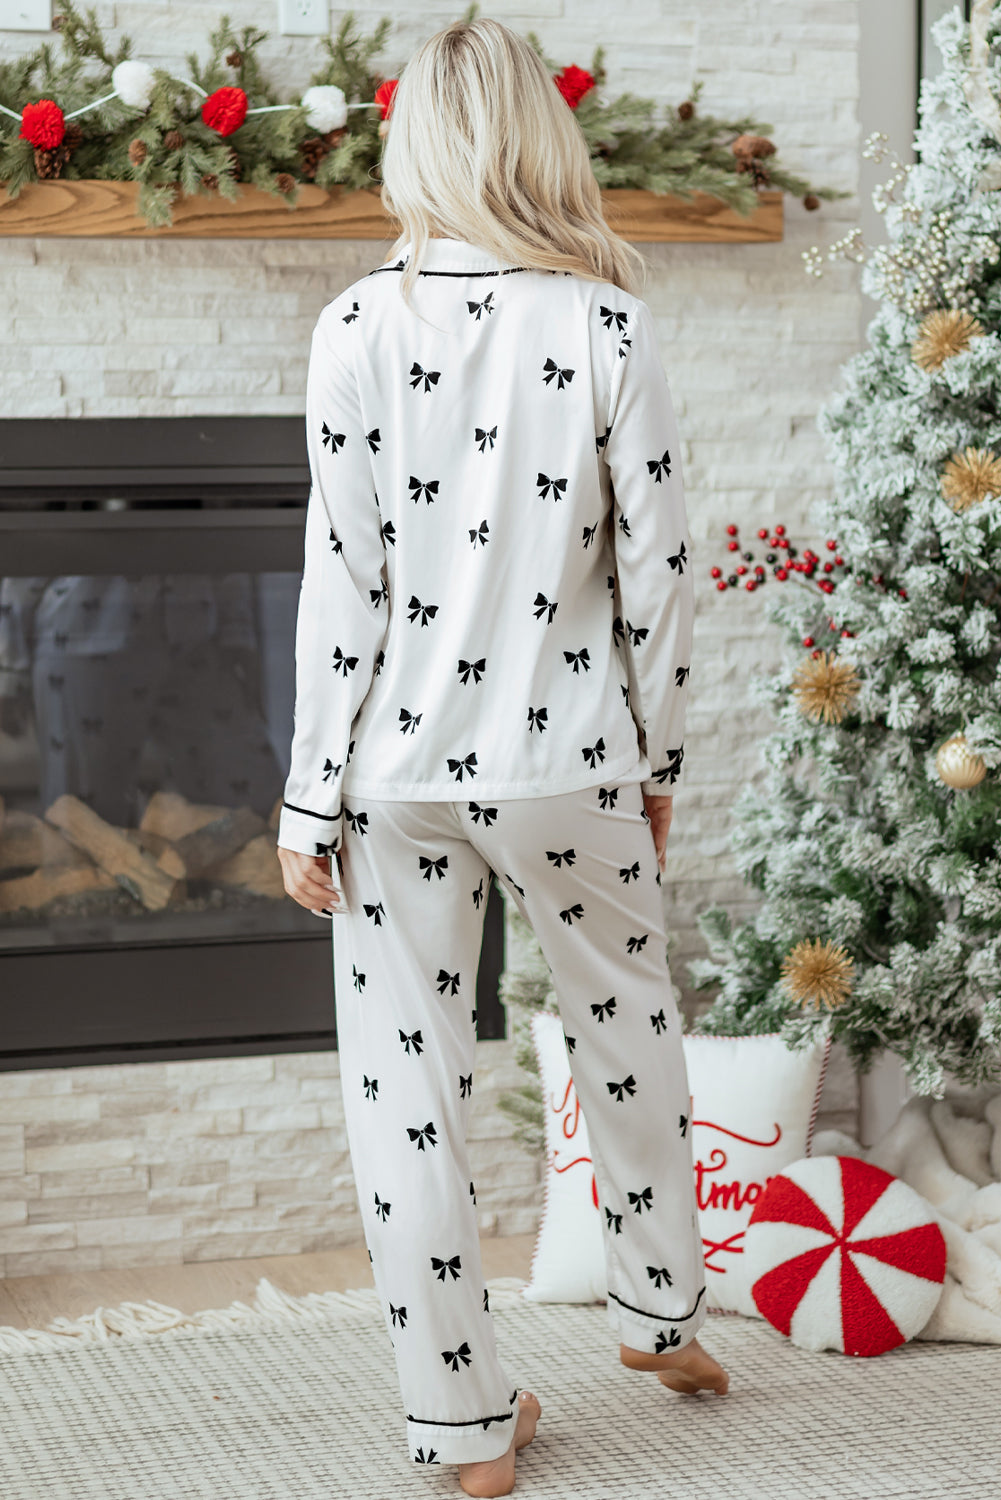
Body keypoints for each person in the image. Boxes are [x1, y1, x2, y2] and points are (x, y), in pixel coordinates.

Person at [276, 16, 728, 1497]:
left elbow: (340, 584)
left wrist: (309, 794)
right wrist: (658, 763)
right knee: (627, 1024)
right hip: (567, 759)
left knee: (404, 1092)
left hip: (393, 776)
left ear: (412, 141)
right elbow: (661, 576)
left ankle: (464, 1430)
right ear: (544, 137)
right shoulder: (605, 326)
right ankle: (659, 1314)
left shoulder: (354, 327)